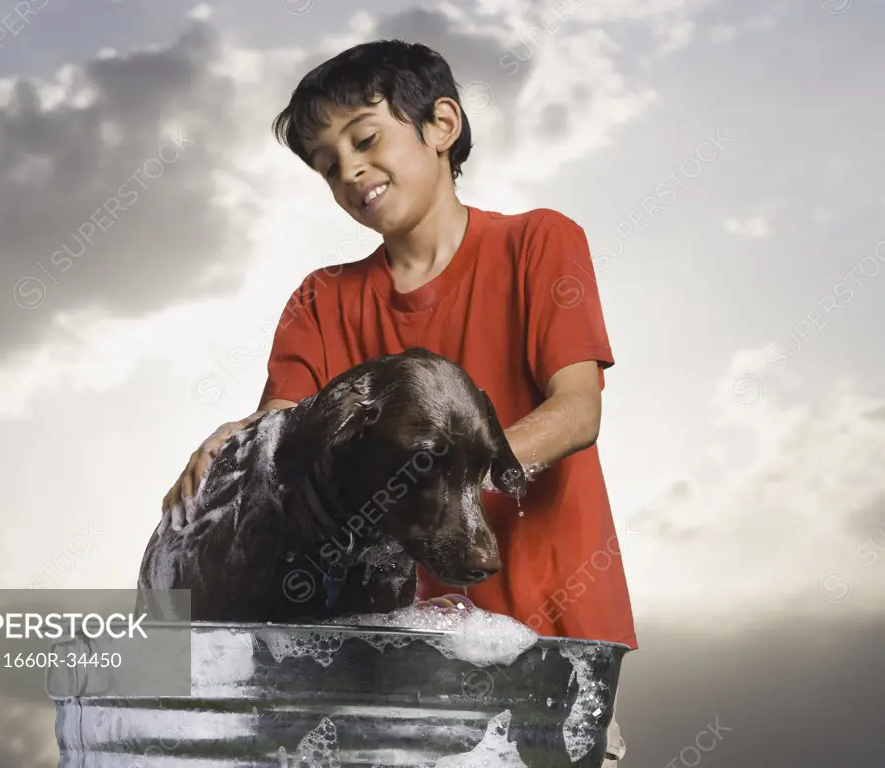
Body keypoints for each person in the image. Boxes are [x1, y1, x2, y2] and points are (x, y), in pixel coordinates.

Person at [159, 39, 635, 763]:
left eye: (366, 137)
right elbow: (286, 425)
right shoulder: (323, 299)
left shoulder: (540, 242)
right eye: (326, 164)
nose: (349, 170)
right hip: (391, 646)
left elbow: (577, 411)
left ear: (442, 125)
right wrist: (233, 442)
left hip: (549, 630)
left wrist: (441, 474)